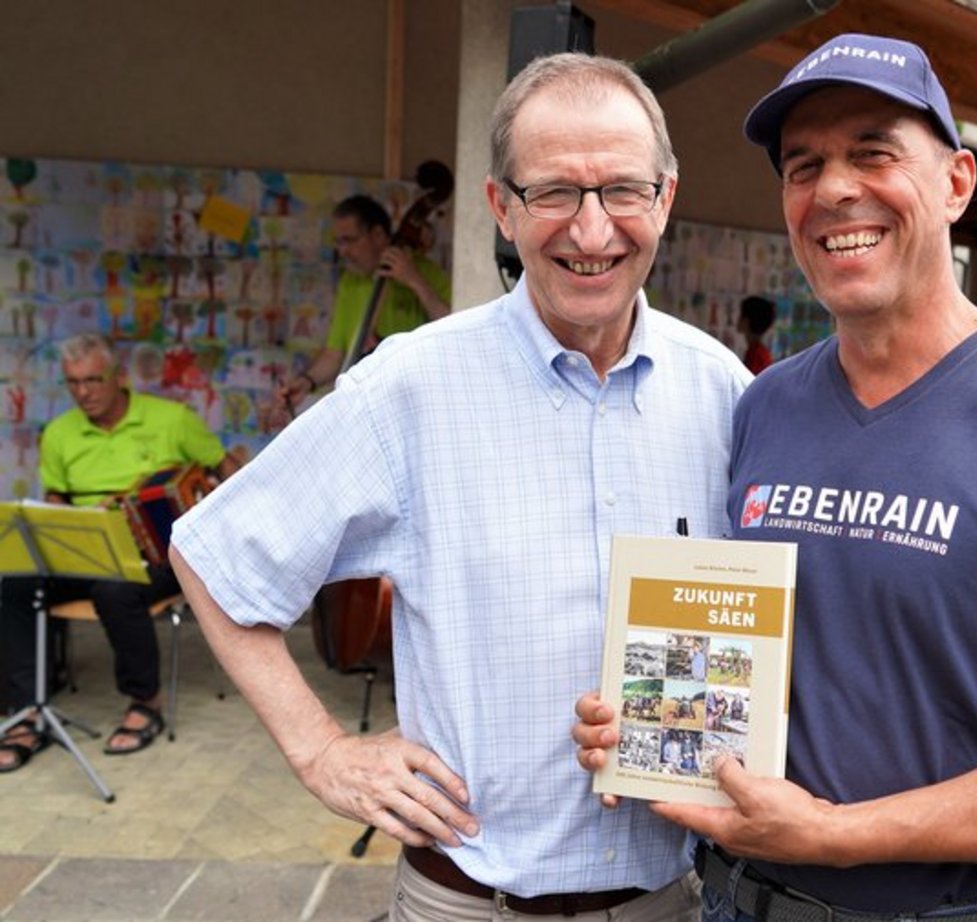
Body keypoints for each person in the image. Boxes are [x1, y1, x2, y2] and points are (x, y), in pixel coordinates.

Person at [576, 33, 977, 921]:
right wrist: (655, 720)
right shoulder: (765, 406)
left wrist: (841, 832)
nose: (834, 188)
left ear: (956, 183)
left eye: (873, 152)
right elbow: (769, 664)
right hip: (734, 902)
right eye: (804, 166)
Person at [169, 52, 749, 921]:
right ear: (500, 209)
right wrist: (322, 750)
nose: (592, 232)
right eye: (553, 192)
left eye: (623, 191)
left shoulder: (725, 392)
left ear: (665, 199)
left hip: (664, 901)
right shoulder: (412, 386)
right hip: (468, 904)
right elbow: (213, 555)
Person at [0, 334, 241, 771]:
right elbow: (56, 496)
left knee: (115, 591)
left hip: (159, 551)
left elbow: (228, 472)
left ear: (119, 377)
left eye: (93, 380)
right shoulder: (58, 433)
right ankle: (26, 712)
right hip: (86, 545)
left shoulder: (172, 419)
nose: (83, 392)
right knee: (13, 584)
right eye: (73, 383)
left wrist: (210, 506)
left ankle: (144, 703)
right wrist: (67, 519)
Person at [276, 194, 451, 407]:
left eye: (349, 240)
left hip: (415, 402)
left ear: (377, 235)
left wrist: (415, 281)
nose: (343, 251)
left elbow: (453, 330)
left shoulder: (427, 273)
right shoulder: (350, 282)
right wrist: (306, 382)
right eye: (339, 242)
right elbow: (335, 353)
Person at [737, 295, 776, 374]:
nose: (737, 319)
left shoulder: (756, 355)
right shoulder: (758, 352)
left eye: (741, 315)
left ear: (746, 321)